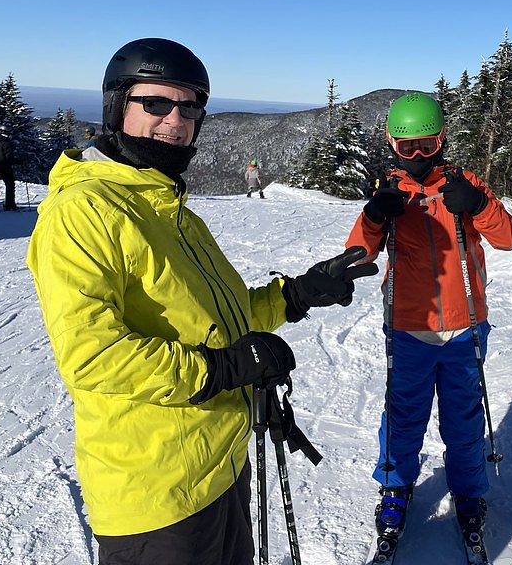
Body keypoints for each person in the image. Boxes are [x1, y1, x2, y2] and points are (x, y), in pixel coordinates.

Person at [27, 37, 378, 565]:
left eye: (189, 106)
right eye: (156, 103)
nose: (175, 118)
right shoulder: (84, 211)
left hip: (220, 463)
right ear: (117, 106)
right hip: (158, 495)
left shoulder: (172, 211)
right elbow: (92, 356)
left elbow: (219, 319)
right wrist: (226, 367)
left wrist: (296, 294)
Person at [345, 92, 512, 548]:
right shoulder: (390, 192)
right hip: (408, 328)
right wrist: (373, 215)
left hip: (465, 327)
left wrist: (478, 205)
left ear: (442, 140)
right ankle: (396, 487)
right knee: (404, 417)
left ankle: (469, 493)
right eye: (408, 149)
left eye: (428, 145)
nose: (419, 156)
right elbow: (358, 254)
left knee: (463, 420)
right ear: (392, 145)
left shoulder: (464, 183)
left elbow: (508, 238)